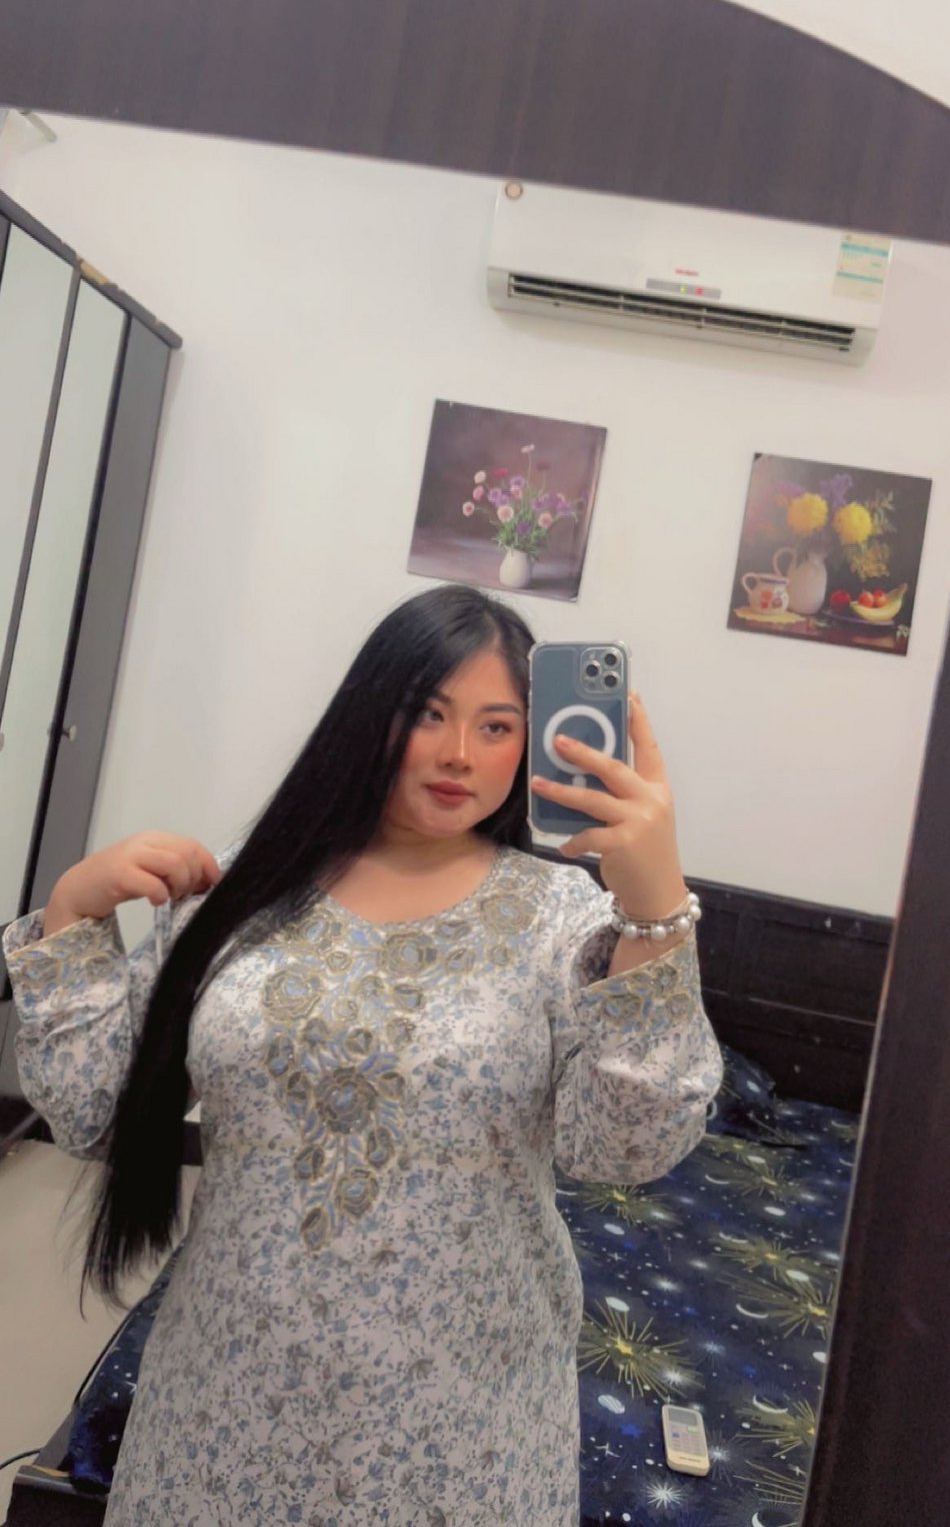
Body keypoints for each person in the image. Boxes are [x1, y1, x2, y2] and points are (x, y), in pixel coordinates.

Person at [3, 583, 721, 1526]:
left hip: (461, 1422)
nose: (459, 753)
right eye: (428, 713)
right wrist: (72, 912)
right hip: (225, 1396)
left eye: (497, 726)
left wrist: (655, 912)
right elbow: (95, 1115)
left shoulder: (567, 921)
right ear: (367, 713)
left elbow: (622, 1149)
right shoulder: (244, 891)